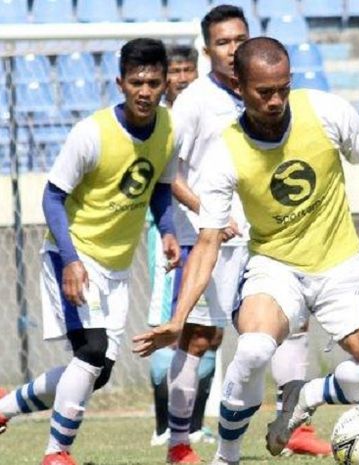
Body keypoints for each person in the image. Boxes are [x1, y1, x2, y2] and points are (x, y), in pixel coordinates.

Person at [133, 37, 359, 465]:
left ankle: (306, 394)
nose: (275, 100)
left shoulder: (326, 112)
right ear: (239, 85)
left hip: (342, 263)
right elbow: (209, 242)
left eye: (283, 88)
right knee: (252, 348)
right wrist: (177, 320)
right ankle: (227, 456)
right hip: (275, 266)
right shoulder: (225, 151)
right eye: (264, 91)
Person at [0, 38, 180, 465]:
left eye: (153, 82)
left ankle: (3, 408)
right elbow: (52, 197)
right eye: (136, 81)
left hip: (117, 267)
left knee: (96, 375)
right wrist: (71, 260)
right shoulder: (92, 133)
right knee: (93, 351)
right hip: (73, 257)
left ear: (165, 83)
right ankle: (56, 454)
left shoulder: (169, 129)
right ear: (120, 82)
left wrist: (169, 230)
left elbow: (160, 187)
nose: (144, 90)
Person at [162, 5, 328, 463]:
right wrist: (205, 210)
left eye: (239, 38)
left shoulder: (270, 96)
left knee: (292, 325)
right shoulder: (194, 101)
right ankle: (179, 442)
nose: (232, 48)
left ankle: (295, 426)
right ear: (206, 49)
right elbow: (167, 172)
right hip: (212, 239)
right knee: (201, 339)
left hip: (270, 237)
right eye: (222, 42)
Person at [146, 42, 219, 447]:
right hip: (172, 235)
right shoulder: (158, 120)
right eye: (173, 71)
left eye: (187, 70)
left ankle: (191, 424)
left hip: (212, 236)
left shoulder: (208, 110)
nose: (181, 78)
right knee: (168, 326)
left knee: (207, 330)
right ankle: (163, 427)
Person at [163, 44, 199, 109]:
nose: (183, 79)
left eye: (188, 70)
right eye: (175, 71)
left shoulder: (209, 107)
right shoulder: (154, 111)